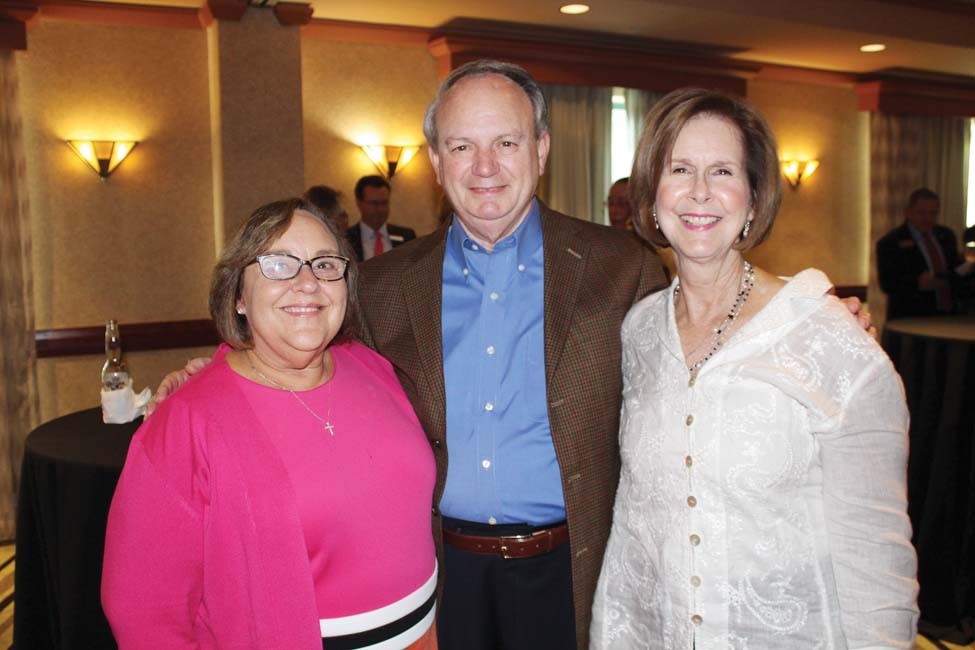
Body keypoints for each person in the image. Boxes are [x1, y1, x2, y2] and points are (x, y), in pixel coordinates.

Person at [147, 61, 872, 650]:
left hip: (575, 568)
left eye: (507, 143)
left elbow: (702, 340)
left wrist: (810, 320)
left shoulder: (618, 264)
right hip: (434, 573)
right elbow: (309, 360)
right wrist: (220, 367)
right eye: (461, 146)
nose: (485, 167)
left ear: (542, 150)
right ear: (434, 160)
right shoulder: (385, 283)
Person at [590, 88, 918, 648]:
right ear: (651, 195)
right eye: (680, 169)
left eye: (722, 171)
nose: (699, 192)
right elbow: (634, 527)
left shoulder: (826, 337)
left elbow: (876, 554)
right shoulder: (638, 332)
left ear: (754, 195)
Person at [102, 199, 437, 649]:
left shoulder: (373, 367)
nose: (307, 282)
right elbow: (143, 613)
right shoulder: (186, 423)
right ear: (238, 295)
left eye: (324, 263)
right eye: (279, 264)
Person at [877, 188, 973, 320]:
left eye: (933, 213)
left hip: (948, 316)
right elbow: (887, 283)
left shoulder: (946, 235)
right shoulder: (891, 242)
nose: (928, 218)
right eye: (922, 213)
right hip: (910, 319)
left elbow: (954, 268)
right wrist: (917, 283)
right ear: (909, 212)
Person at [346, 174, 416, 260]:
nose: (380, 209)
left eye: (384, 203)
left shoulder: (406, 237)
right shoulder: (347, 239)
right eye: (374, 203)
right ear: (359, 203)